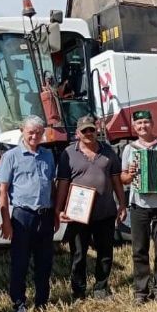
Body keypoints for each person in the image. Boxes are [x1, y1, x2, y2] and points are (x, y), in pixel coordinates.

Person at [55, 116, 127, 301]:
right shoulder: (68, 153)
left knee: (105, 253)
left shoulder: (108, 152)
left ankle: (101, 288)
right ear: (77, 133)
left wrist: (122, 204)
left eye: (91, 130)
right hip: (78, 215)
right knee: (78, 254)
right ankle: (78, 291)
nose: (88, 133)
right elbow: (63, 183)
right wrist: (59, 209)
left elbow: (117, 181)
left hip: (105, 212)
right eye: (84, 130)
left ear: (96, 131)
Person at [0, 115, 56, 312]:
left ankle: (42, 302)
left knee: (44, 262)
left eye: (38, 132)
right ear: (22, 130)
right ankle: (19, 304)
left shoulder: (48, 155)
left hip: (45, 216)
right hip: (22, 216)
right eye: (31, 132)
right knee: (20, 262)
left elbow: (52, 186)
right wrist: (5, 221)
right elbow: (2, 190)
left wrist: (55, 213)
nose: (34, 136)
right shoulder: (11, 156)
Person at [120, 110, 157, 305]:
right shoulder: (130, 149)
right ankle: (141, 291)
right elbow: (123, 178)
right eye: (139, 124)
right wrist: (131, 174)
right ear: (134, 127)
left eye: (146, 122)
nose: (143, 126)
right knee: (139, 249)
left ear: (152, 123)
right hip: (139, 204)